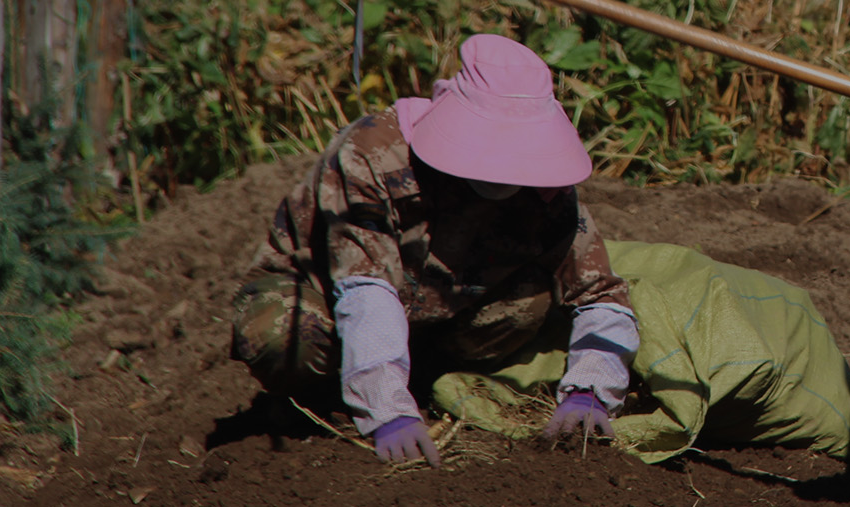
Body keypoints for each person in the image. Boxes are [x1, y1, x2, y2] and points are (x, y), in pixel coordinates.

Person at [230, 34, 636, 468]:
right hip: (325, 293)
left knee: (529, 304)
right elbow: (365, 287)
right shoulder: (374, 153)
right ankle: (319, 403)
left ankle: (427, 380)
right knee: (284, 336)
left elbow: (602, 296)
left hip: (440, 306)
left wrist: (590, 390)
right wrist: (385, 409)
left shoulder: (548, 194)